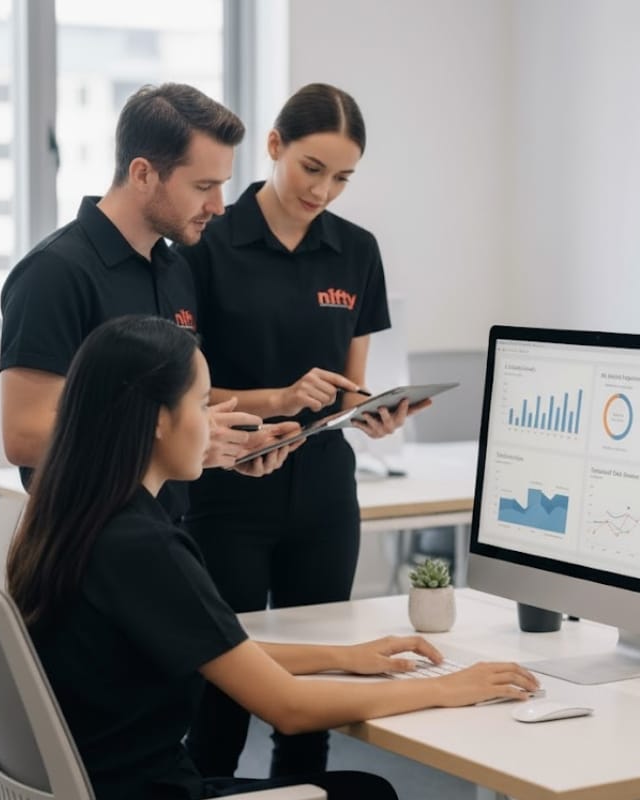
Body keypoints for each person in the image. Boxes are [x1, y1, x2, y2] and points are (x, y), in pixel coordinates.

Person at [5, 315, 539, 800]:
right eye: (201, 403)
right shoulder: (144, 544)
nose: (215, 419)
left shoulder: (70, 515)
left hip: (104, 782)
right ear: (157, 421)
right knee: (365, 792)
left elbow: (217, 645)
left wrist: (347, 655)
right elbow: (288, 707)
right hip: (151, 790)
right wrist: (448, 689)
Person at [175, 82, 428, 778]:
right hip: (226, 487)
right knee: (223, 691)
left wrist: (374, 412)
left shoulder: (356, 250)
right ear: (275, 146)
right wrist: (277, 397)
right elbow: (183, 394)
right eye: (312, 168)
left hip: (322, 495)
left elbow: (351, 384)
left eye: (342, 177)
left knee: (317, 692)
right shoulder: (209, 241)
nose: (324, 190)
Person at [0, 83, 296, 520]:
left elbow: (165, 410)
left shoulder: (175, 269)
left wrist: (225, 446)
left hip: (163, 531)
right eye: (203, 186)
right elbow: (25, 437)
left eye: (222, 186)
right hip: (86, 545)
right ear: (142, 174)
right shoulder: (53, 273)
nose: (218, 206)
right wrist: (184, 440)